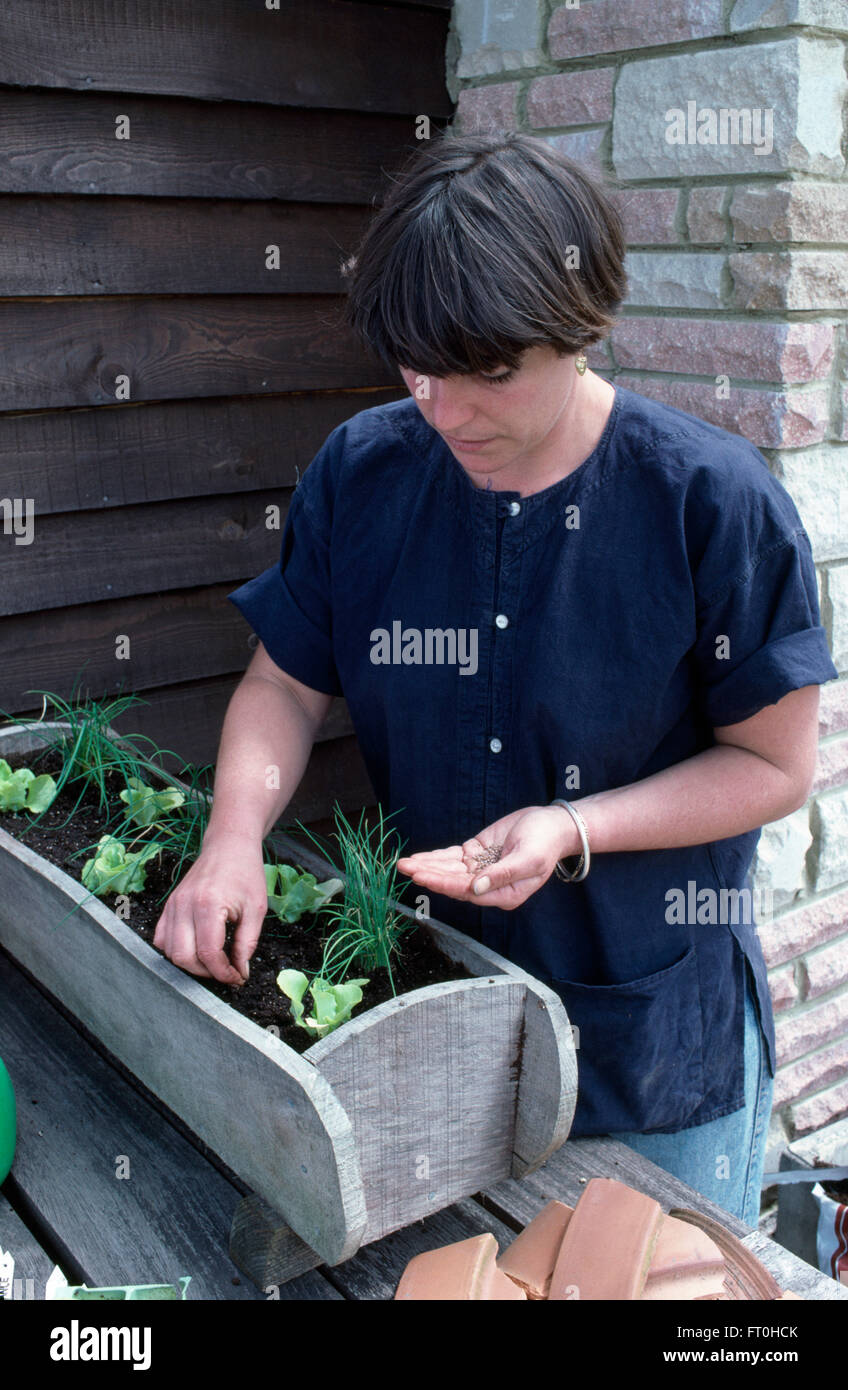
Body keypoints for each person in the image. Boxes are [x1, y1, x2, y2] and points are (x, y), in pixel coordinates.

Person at [153, 132, 838, 1226]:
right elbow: (284, 682)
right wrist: (230, 838)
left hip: (647, 1043)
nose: (446, 410)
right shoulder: (362, 470)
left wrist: (572, 827)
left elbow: (772, 764)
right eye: (419, 370)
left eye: (491, 372)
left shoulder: (710, 503)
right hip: (434, 1013)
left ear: (586, 325)